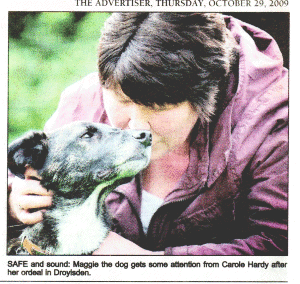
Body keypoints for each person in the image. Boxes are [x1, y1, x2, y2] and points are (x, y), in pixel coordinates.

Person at [8, 12, 288, 255]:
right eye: (124, 100)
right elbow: (18, 173)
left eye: (158, 108)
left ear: (207, 95)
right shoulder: (85, 103)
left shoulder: (276, 123)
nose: (137, 126)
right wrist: (12, 198)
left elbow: (281, 246)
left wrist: (147, 263)